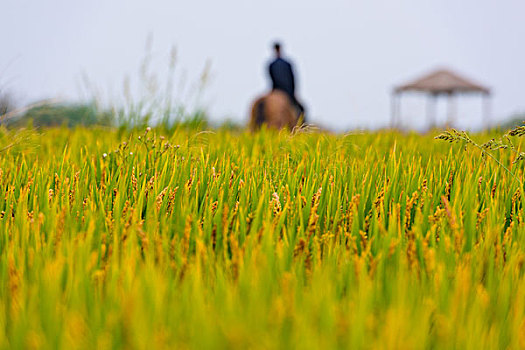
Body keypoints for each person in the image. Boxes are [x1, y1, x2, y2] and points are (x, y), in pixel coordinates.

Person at [268, 42, 305, 119]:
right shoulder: (287, 63)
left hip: (276, 90)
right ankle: (302, 127)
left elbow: (271, 78)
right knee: (301, 109)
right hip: (287, 91)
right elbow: (292, 79)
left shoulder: (271, 64)